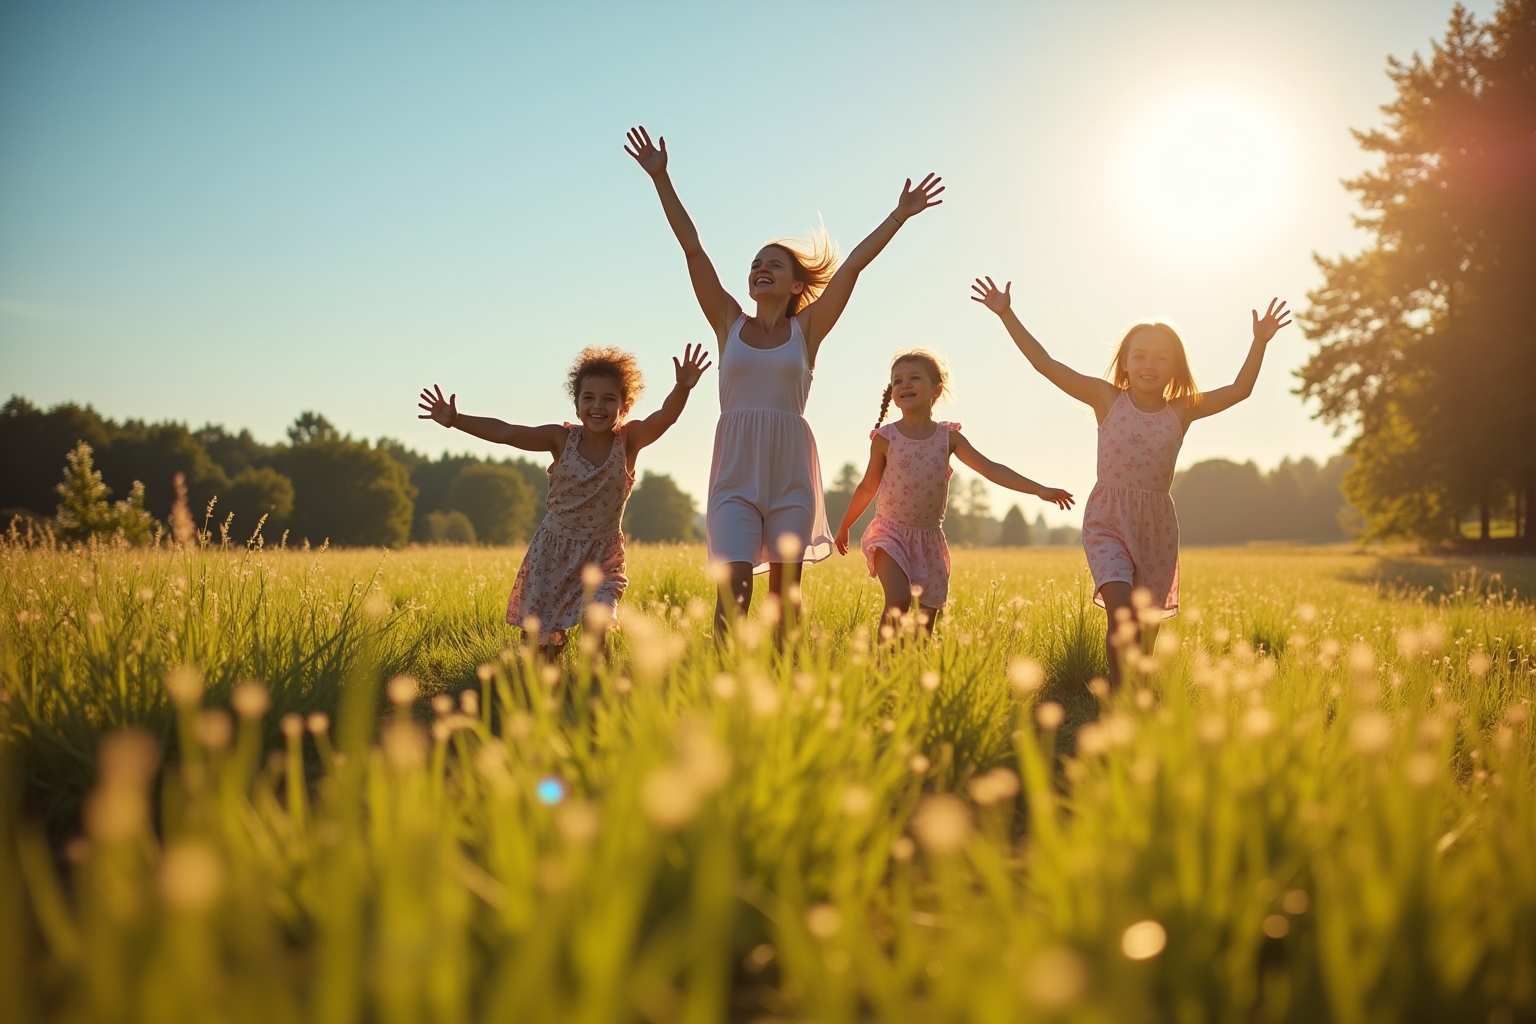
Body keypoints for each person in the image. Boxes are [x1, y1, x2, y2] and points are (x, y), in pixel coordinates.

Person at [623, 125, 943, 638]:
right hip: (736, 467)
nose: (759, 268)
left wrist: (898, 216)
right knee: (735, 590)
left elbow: (853, 267)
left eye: (774, 264)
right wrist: (662, 179)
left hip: (791, 468)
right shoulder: (729, 323)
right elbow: (693, 249)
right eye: (755, 264)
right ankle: (729, 691)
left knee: (785, 598)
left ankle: (783, 685)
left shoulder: (807, 330)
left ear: (796, 284)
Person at [972, 277, 1291, 686]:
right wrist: (1006, 313)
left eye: (1160, 358)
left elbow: (1240, 390)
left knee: (1147, 627)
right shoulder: (1106, 399)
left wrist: (1260, 341)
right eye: (1139, 356)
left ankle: (1138, 690)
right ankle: (1119, 697)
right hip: (1108, 519)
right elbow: (1045, 364)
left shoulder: (1182, 410)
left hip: (1156, 524)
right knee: (1122, 615)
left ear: (1175, 367)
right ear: (1124, 362)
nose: (1148, 365)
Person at [416, 343, 711, 658]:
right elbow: (506, 432)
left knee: (597, 625)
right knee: (540, 647)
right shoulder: (561, 439)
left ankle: (598, 696)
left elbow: (664, 418)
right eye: (589, 398)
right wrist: (456, 419)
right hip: (553, 554)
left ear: (624, 408)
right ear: (576, 404)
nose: (598, 406)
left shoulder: (629, 442)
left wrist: (681, 387)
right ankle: (544, 696)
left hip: (602, 555)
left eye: (609, 399)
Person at [833, 349, 1074, 635]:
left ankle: (914, 672)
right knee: (897, 601)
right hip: (890, 533)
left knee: (926, 621)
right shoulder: (886, 439)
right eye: (897, 381)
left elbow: (991, 469)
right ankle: (882, 669)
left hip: (929, 540)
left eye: (914, 378)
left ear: (936, 390)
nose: (904, 385)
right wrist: (845, 525)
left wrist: (1039, 489)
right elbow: (868, 486)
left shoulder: (948, 439)